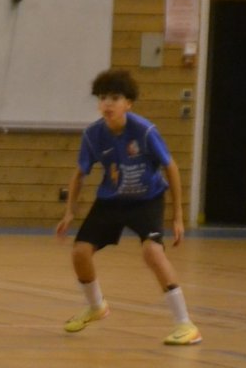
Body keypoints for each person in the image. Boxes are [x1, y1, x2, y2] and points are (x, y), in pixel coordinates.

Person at [55, 69, 201, 345]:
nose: (107, 104)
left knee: (152, 253)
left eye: (115, 98)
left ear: (128, 103)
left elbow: (170, 167)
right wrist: (70, 211)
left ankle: (186, 324)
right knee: (80, 253)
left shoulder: (144, 131)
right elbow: (79, 174)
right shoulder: (93, 135)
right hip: (111, 201)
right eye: (102, 98)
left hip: (147, 200)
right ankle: (96, 306)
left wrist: (178, 216)